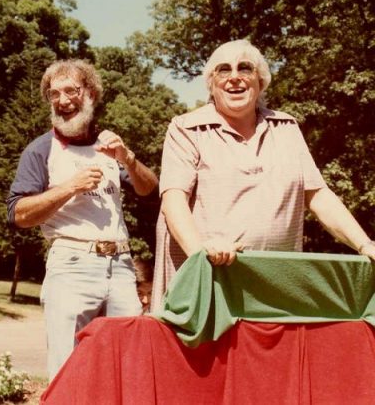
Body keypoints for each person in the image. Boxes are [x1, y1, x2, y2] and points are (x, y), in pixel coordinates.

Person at [155, 39, 375, 296]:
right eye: (223, 70)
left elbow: (318, 195)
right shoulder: (186, 128)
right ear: (211, 84)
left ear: (260, 82)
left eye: (245, 68)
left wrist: (364, 244)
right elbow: (173, 201)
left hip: (275, 282)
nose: (234, 77)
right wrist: (200, 252)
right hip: (210, 280)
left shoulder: (287, 128)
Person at [7, 59, 158, 380]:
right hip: (72, 263)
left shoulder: (108, 148)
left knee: (129, 362)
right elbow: (18, 213)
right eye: (53, 94)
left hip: (120, 266)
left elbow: (149, 189)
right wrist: (70, 187)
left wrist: (128, 158)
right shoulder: (41, 150)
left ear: (90, 93)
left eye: (71, 91)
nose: (62, 101)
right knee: (68, 369)